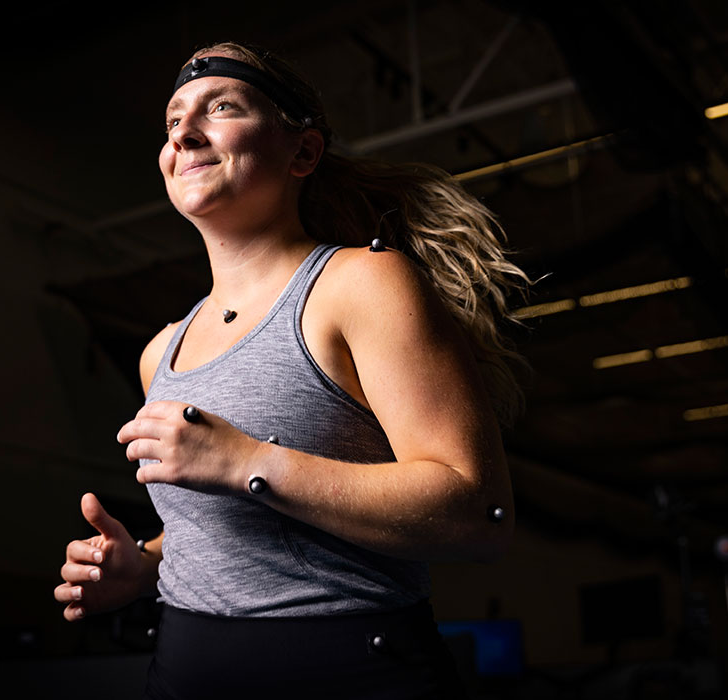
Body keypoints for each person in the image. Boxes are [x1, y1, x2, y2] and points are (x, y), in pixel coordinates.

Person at [54, 41, 529, 698]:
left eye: (220, 108)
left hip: (351, 671)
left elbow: (484, 513)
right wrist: (144, 564)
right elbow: (228, 532)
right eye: (172, 122)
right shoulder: (158, 352)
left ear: (302, 152)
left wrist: (247, 462)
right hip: (183, 672)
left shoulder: (361, 284)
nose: (185, 134)